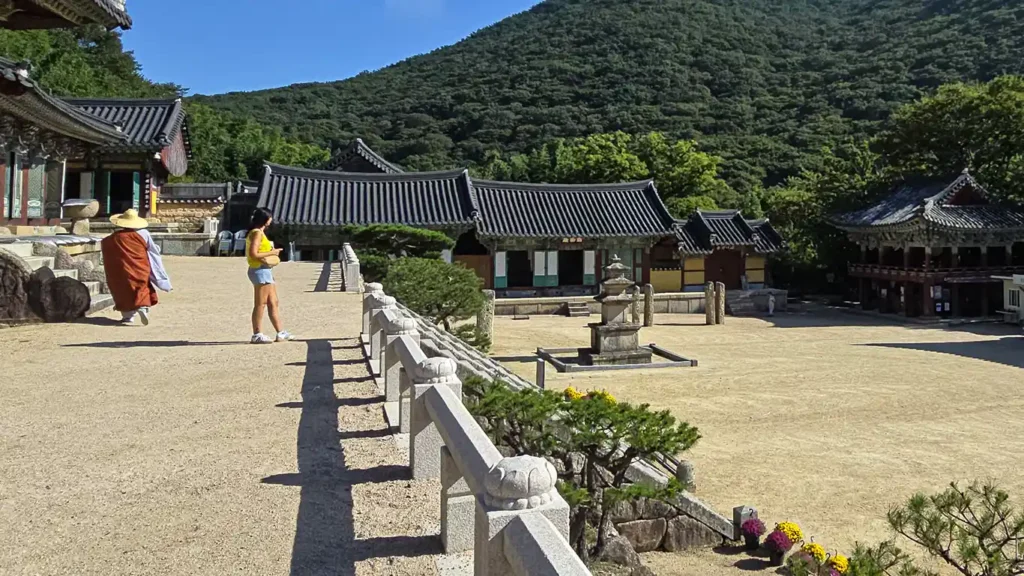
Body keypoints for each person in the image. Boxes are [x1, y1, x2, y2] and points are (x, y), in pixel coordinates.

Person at [100, 209, 171, 325]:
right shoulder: (144, 234)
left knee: (123, 290)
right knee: (141, 287)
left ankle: (128, 317)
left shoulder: (114, 237)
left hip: (122, 269)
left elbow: (107, 246)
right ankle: (143, 307)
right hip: (140, 266)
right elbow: (153, 250)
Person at [246, 208, 294, 344]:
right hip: (259, 269)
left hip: (265, 270)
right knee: (260, 303)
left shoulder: (260, 233)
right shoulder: (256, 233)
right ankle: (257, 333)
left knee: (273, 302)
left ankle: (280, 332)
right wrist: (272, 253)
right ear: (265, 219)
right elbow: (254, 253)